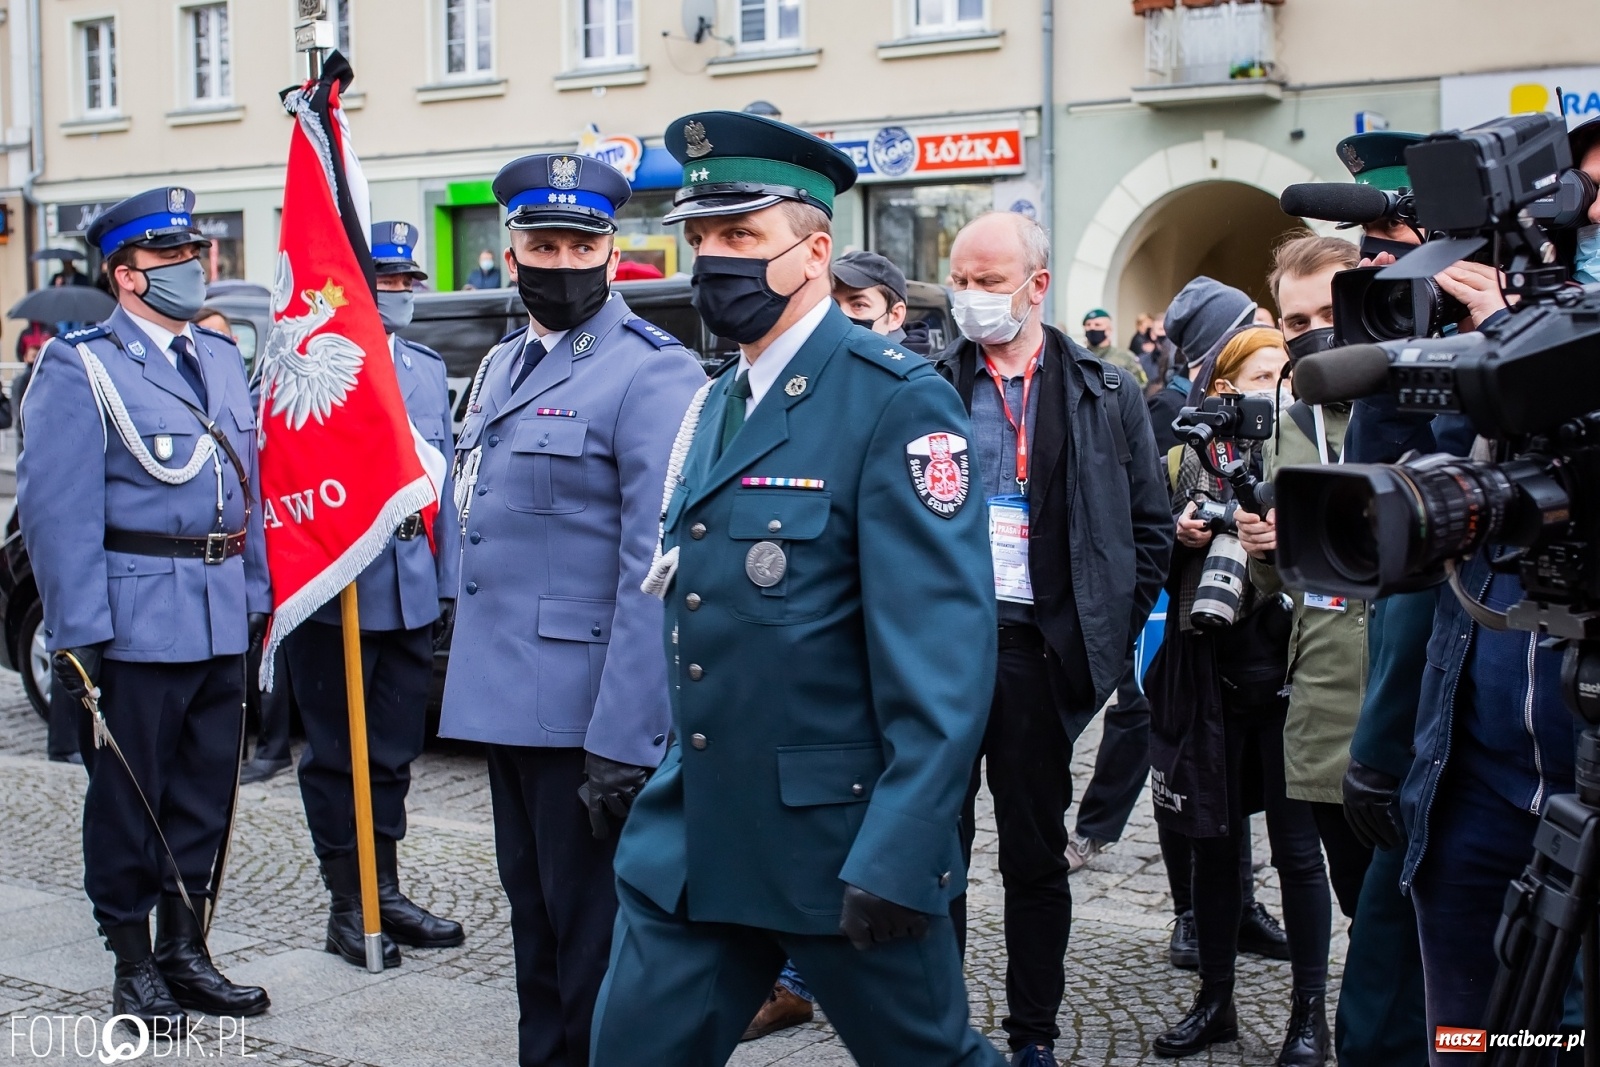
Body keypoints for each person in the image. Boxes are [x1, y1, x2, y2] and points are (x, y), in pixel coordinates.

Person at [589, 109, 1001, 1067]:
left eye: (742, 237)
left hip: (836, 841)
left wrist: (902, 845)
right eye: (701, 238)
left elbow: (941, 656)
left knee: (931, 1056)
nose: (713, 261)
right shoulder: (718, 397)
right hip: (696, 834)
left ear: (814, 251)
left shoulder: (894, 400)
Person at [438, 153, 705, 1067]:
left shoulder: (650, 371)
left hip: (588, 715)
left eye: (579, 243)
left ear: (611, 250)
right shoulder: (504, 361)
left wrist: (626, 736)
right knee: (535, 928)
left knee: (594, 945)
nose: (561, 261)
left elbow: (654, 570)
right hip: (510, 703)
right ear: (509, 255)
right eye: (541, 243)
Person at [17, 187, 271, 1031]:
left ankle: (185, 948)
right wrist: (80, 636)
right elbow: (59, 514)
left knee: (205, 794)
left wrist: (258, 599)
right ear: (128, 276)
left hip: (216, 614)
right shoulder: (80, 364)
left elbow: (249, 491)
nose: (196, 270)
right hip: (133, 623)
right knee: (131, 799)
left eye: (198, 254)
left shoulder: (221, 358)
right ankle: (133, 962)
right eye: (174, 260)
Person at [933, 213, 1171, 1067]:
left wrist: (1099, 639)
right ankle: (939, 1026)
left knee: (1035, 857)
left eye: (988, 281)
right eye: (959, 278)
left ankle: (1033, 1032)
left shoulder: (1106, 393)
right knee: (935, 855)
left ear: (1036, 286)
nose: (969, 297)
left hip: (1040, 654)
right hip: (941, 655)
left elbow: (1149, 530)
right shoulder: (926, 384)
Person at [735, 243, 945, 1045]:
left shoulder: (909, 401)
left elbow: (929, 636)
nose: (847, 319)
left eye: (863, 306)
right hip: (794, 742)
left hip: (880, 733)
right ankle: (791, 979)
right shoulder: (744, 395)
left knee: (919, 1028)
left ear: (895, 314)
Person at [1147, 326, 1332, 1064]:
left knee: (1298, 854)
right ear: (1221, 386)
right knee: (1213, 847)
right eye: (1256, 374)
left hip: (1287, 676)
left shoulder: (1307, 454)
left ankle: (1308, 1016)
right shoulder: (1180, 458)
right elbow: (1144, 554)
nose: (1270, 387)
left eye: (1281, 374)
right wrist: (1179, 539)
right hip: (1207, 670)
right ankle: (1215, 1001)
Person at [283, 220, 465, 969]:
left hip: (409, 589)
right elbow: (291, 481)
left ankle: (384, 886)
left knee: (391, 753)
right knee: (337, 756)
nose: (400, 294)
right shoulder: (309, 365)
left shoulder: (422, 368)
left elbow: (445, 482)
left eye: (406, 282)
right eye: (385, 282)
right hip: (337, 591)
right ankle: (347, 903)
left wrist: (446, 580)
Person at [830, 249, 929, 353]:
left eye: (859, 305)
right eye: (833, 304)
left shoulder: (918, 368)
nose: (840, 315)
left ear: (895, 316)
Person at [1081, 308, 1147, 389]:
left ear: (1109, 330)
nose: (1092, 328)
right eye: (1088, 325)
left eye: (1097, 325)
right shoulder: (1079, 356)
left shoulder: (1125, 357)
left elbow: (1141, 384)